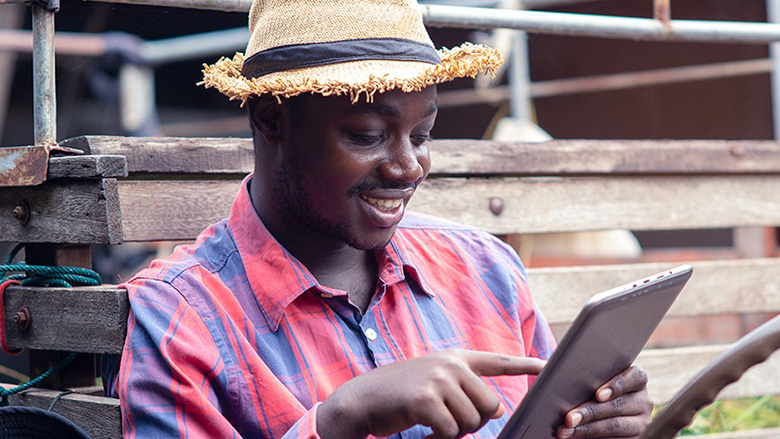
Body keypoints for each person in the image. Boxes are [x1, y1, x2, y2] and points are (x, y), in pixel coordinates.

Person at [112, 0, 653, 438]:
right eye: (367, 135)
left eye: (422, 136)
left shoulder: (486, 269)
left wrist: (596, 421)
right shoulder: (182, 317)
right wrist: (342, 418)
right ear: (272, 119)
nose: (408, 166)